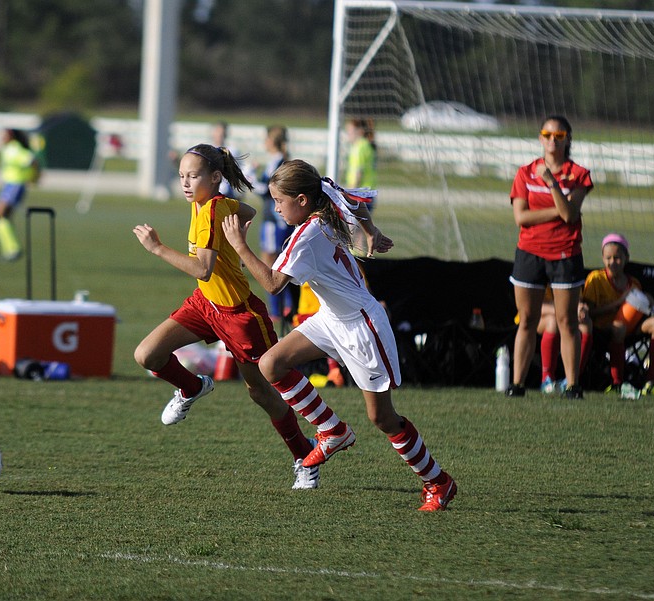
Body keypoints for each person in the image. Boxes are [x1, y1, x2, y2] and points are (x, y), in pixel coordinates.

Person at [222, 159, 457, 511]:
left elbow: (272, 284)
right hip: (331, 318)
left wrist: (240, 247)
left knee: (382, 418)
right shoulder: (324, 198)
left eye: (279, 201)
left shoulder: (305, 236)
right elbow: (353, 200)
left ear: (301, 200)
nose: (276, 208)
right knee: (272, 363)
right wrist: (371, 231)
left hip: (362, 327)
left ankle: (438, 482)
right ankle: (332, 431)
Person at [132, 143, 320, 490]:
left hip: (239, 314)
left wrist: (158, 248)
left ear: (215, 177)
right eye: (182, 176)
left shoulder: (212, 209)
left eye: (193, 176)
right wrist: (236, 230)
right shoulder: (207, 204)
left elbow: (203, 269)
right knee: (147, 354)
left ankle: (304, 456)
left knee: (261, 392)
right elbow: (247, 209)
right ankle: (192, 387)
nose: (185, 183)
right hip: (205, 305)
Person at [506, 115, 593, 399]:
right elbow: (522, 217)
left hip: (565, 254)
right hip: (529, 253)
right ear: (540, 138)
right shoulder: (525, 172)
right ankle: (517, 384)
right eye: (547, 134)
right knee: (527, 320)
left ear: (568, 138)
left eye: (559, 135)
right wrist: (560, 209)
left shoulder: (578, 174)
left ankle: (572, 385)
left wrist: (552, 183)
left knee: (567, 321)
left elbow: (570, 215)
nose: (552, 140)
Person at [582, 233, 654, 396]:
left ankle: (651, 381)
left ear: (626, 258)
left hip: (629, 327)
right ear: (602, 258)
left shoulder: (633, 282)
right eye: (608, 258)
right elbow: (589, 313)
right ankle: (616, 382)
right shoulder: (596, 279)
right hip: (602, 329)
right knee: (619, 327)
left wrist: (648, 300)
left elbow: (639, 309)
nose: (613, 262)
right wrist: (617, 303)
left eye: (617, 258)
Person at [250, 125, 293, 323]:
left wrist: (248, 176)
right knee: (278, 262)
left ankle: (279, 310)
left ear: (272, 141)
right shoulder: (276, 161)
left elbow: (267, 190)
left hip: (274, 222)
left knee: (274, 263)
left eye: (266, 139)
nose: (264, 142)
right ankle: (284, 308)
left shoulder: (279, 163)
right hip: (273, 220)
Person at [0, 128, 39, 262]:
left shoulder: (15, 149)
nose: (2, 138)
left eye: (4, 136)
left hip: (15, 185)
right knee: (1, 218)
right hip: (9, 185)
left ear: (11, 137)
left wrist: (33, 177)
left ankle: (13, 249)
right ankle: (10, 250)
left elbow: (32, 161)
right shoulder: (8, 148)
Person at [344, 118, 378, 257]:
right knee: (358, 232)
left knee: (354, 232)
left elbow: (359, 172)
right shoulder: (366, 146)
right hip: (367, 194)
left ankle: (358, 263)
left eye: (350, 131)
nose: (348, 134)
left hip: (359, 195)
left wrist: (349, 193)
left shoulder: (360, 147)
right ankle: (360, 260)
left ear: (360, 131)